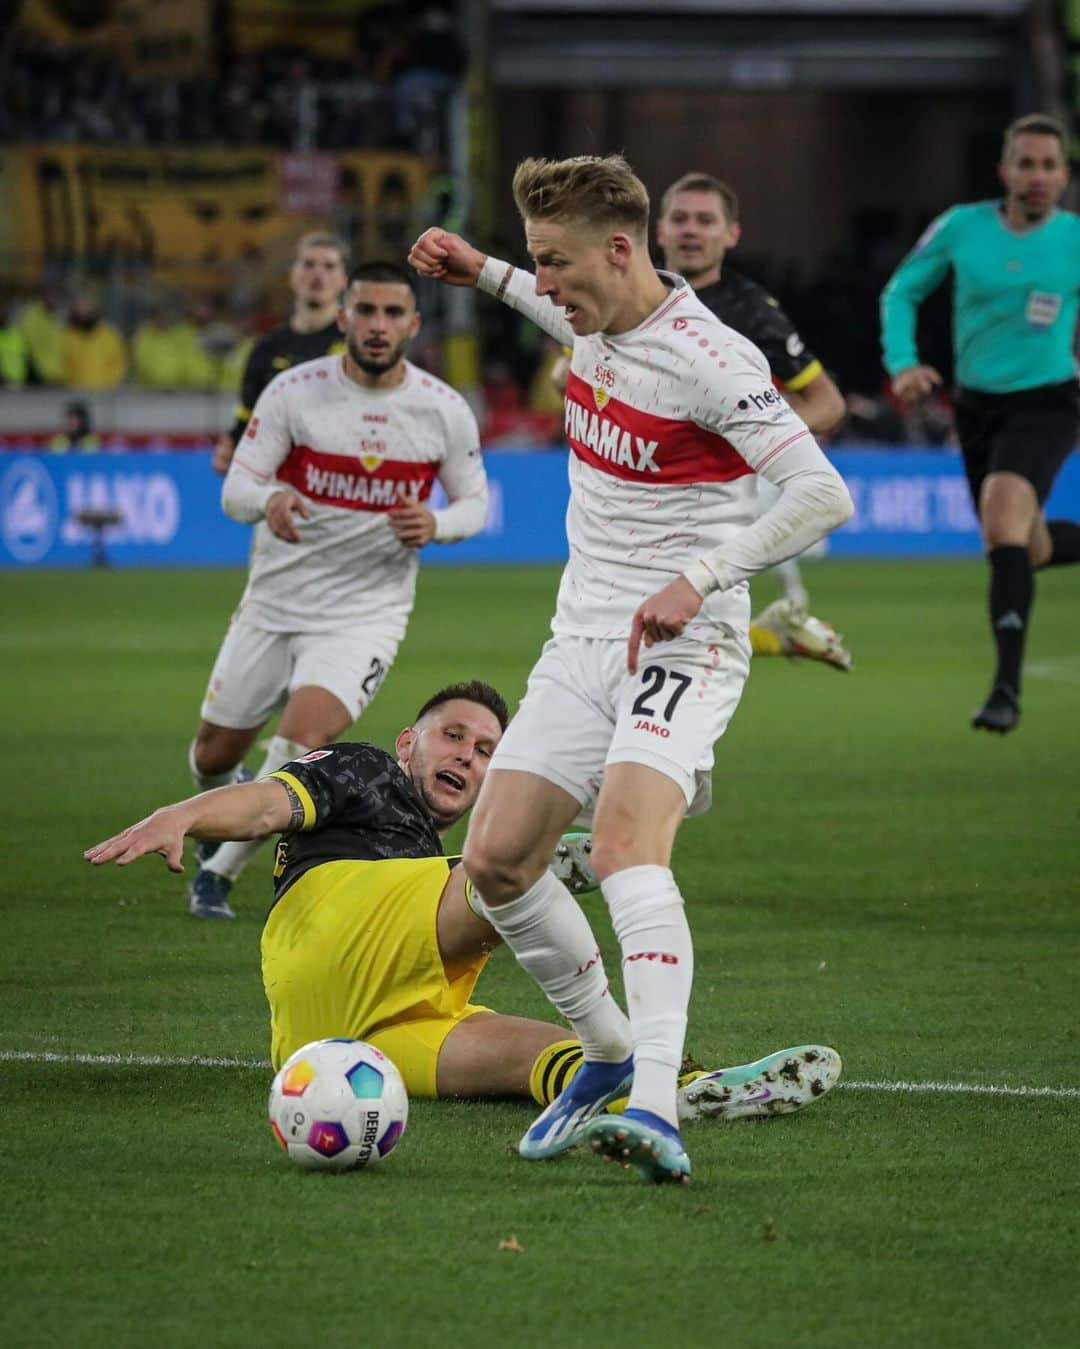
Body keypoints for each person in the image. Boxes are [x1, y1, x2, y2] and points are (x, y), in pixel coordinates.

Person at [409, 154, 853, 1183]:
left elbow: (822, 492)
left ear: (621, 249)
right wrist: (481, 269)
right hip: (580, 637)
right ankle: (605, 1050)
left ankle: (656, 1103)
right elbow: (547, 303)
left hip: (682, 639)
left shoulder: (711, 358)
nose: (548, 282)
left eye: (557, 262)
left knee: (620, 851)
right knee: (499, 857)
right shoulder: (594, 313)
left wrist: (700, 576)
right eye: (538, 262)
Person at [85, 680, 842, 1121]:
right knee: (491, 869)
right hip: (334, 930)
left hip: (350, 1037)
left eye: (486, 753)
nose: (467, 756)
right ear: (408, 741)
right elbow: (264, 806)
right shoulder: (365, 771)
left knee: (550, 1053)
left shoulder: (449, 844)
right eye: (452, 735)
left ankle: (684, 1087)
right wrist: (184, 813)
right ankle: (545, 859)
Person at [186, 260, 489, 921]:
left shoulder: (442, 410)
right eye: (367, 311)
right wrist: (268, 499)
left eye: (392, 314)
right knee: (212, 754)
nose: (378, 326)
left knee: (299, 743)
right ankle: (228, 795)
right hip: (276, 600)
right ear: (344, 316)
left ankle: (217, 876)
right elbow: (236, 487)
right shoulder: (294, 391)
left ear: (412, 323)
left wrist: (437, 522)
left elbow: (477, 505)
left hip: (365, 611)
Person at [881, 113, 1080, 734]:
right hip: (977, 408)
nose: (1038, 175)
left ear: (1065, 174)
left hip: (1049, 400)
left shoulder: (1075, 237)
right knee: (1021, 544)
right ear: (1005, 170)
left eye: (1050, 165)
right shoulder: (961, 227)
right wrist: (904, 363)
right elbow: (901, 292)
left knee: (1000, 517)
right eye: (1027, 162)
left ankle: (1005, 691)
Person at [656, 172, 853, 672]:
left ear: (731, 234)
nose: (691, 231)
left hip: (709, 493)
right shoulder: (630, 296)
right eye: (680, 219)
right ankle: (778, 635)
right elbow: (568, 380)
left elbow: (827, 402)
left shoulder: (752, 311)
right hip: (635, 485)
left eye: (706, 220)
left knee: (670, 630)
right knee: (643, 627)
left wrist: (755, 436)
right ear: (658, 230)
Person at [212, 233, 349, 476]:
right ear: (293, 275)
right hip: (281, 488)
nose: (318, 274)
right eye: (308, 264)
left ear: (343, 280)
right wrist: (231, 447)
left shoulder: (358, 344)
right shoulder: (266, 347)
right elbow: (248, 417)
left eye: (329, 266)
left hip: (342, 481)